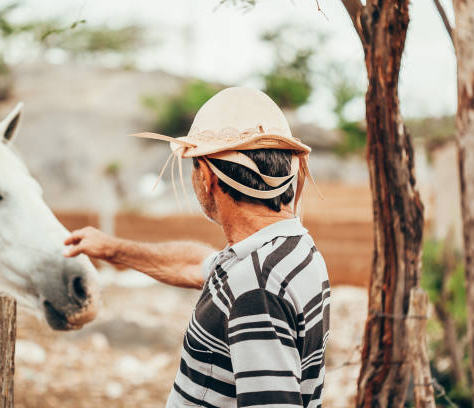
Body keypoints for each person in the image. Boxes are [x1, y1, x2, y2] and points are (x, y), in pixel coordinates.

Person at [63, 87, 330, 408]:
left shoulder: (256, 287)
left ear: (206, 176)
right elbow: (196, 264)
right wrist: (112, 249)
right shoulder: (289, 250)